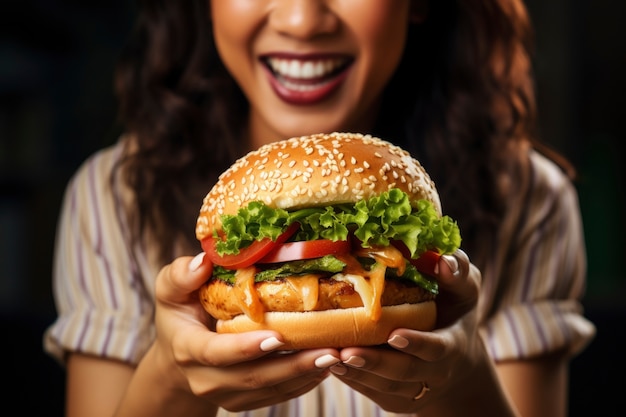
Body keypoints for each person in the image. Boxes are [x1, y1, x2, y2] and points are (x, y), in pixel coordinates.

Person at [44, 1, 596, 416]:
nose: (303, 21)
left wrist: (463, 379)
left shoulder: (530, 199)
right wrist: (168, 376)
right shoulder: (113, 195)